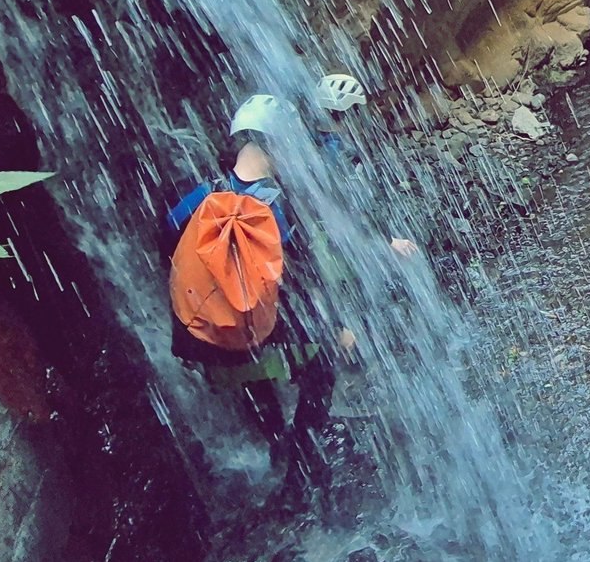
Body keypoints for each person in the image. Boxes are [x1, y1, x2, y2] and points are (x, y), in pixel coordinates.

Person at [162, 94, 336, 502]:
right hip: (255, 339)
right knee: (323, 364)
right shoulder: (278, 207)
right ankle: (301, 465)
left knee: (251, 369)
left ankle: (275, 440)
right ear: (275, 146)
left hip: (205, 343)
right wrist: (339, 328)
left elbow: (167, 240)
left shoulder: (200, 195)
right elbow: (300, 281)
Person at [314, 72, 417, 260]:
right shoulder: (339, 153)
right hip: (344, 244)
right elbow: (356, 203)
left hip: (325, 233)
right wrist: (390, 240)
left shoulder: (316, 141)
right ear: (350, 112)